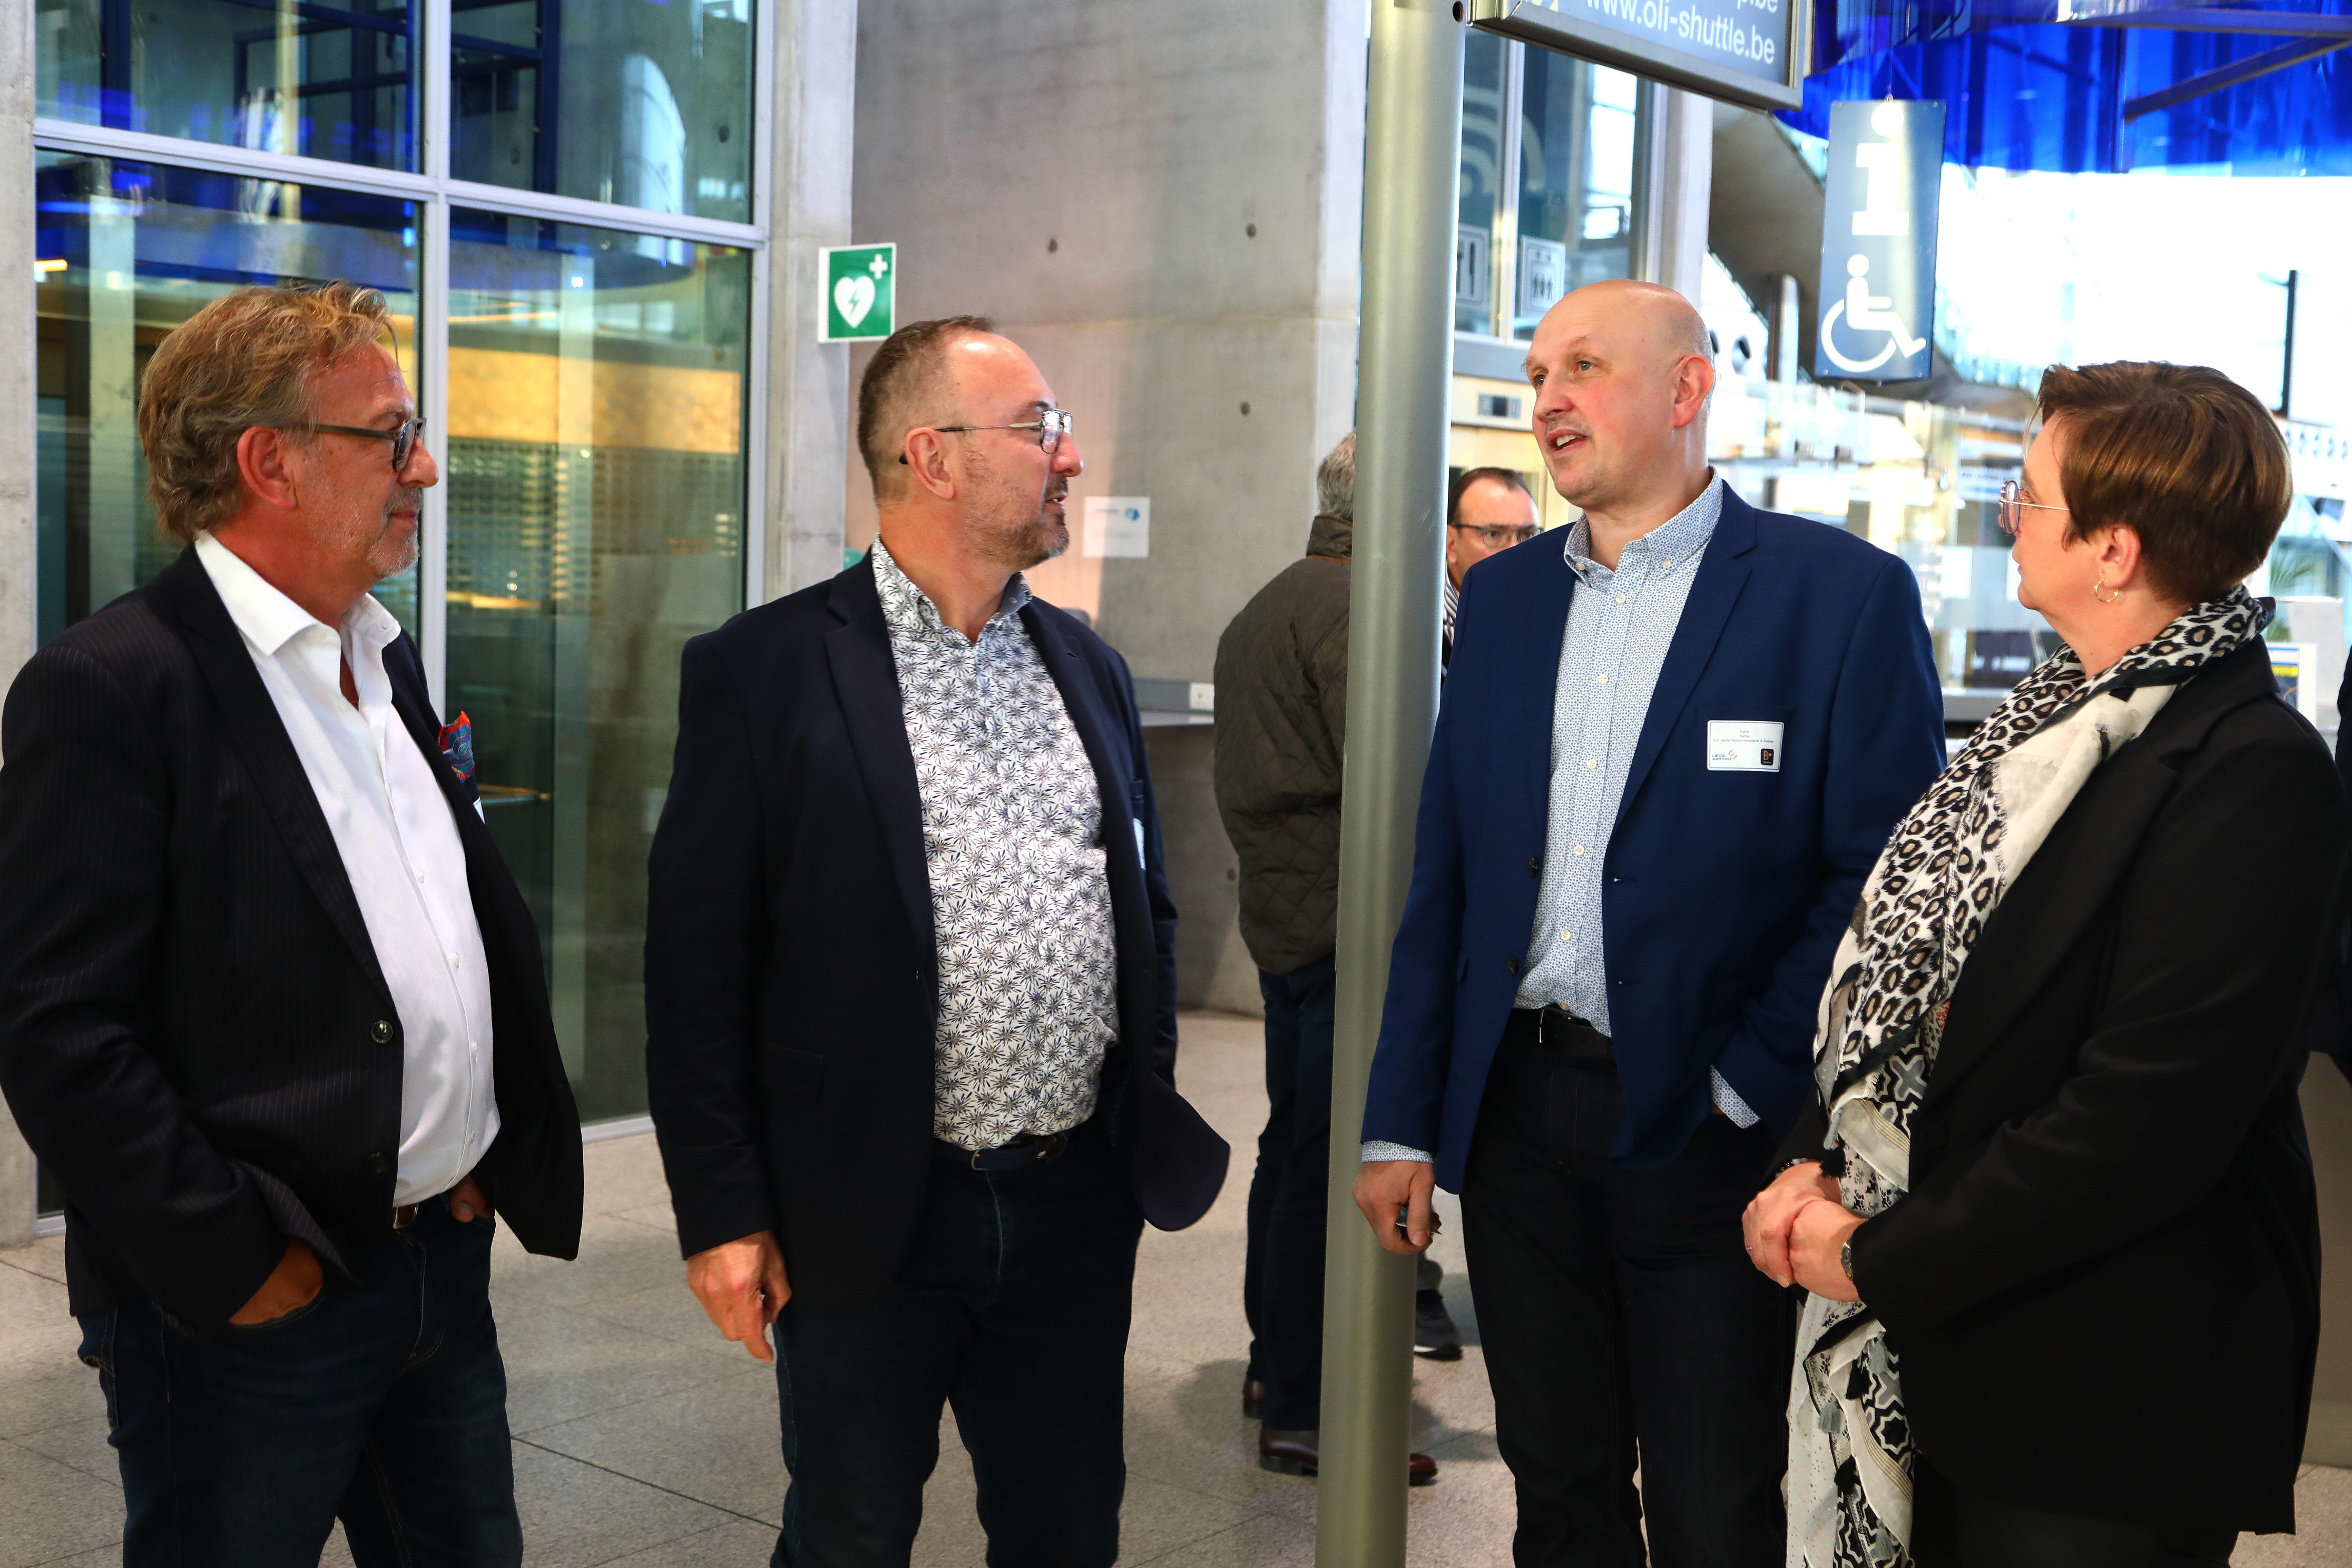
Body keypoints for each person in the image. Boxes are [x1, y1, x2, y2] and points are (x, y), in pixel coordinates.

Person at [1352, 278, 1946, 1567]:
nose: (1546, 400)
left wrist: (1746, 1085)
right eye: (1536, 375)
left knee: (1711, 1496)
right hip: (1517, 1118)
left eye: (1581, 367)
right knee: (1555, 1484)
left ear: (1686, 390)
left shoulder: (1835, 597)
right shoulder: (1505, 600)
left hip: (1707, 1128)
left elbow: (1878, 880)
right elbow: (1448, 870)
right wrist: (1402, 1115)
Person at [0, 282, 584, 1566]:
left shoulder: (384, 656)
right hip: (256, 1302)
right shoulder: (112, 686)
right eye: (392, 436)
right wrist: (237, 1261)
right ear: (271, 462)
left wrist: (465, 1152)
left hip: (440, 1263)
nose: (424, 467)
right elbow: (59, 1033)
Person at [645, 315, 1230, 1567]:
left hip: (1072, 1201)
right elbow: (695, 974)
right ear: (933, 457)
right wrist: (722, 1212)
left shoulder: (1086, 665)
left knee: (1067, 1529)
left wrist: (1138, 1104)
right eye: (1039, 429)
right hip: (870, 1206)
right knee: (851, 1532)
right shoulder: (765, 671)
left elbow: (1147, 907)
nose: (1069, 455)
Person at [1745, 361, 2347, 1568]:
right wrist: (1817, 1160)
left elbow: (2143, 1119)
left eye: (2026, 494)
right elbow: (1909, 1006)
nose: (2006, 515)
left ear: (2112, 550)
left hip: (2101, 1376)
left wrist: (1873, 1256)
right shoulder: (2046, 730)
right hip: (1951, 1331)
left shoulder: (2249, 766)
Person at [1212, 431, 1454, 1486]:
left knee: (1292, 1151)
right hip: (1349, 927)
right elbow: (1406, 782)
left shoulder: (1276, 597)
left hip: (1288, 919)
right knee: (1330, 1167)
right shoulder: (1365, 608)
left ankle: (1276, 1366)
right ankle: (1310, 1405)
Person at [1445, 466, 1541, 664]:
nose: (1516, 552)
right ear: (1451, 544)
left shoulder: (1548, 621)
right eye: (1494, 534)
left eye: (1528, 535)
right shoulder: (1410, 628)